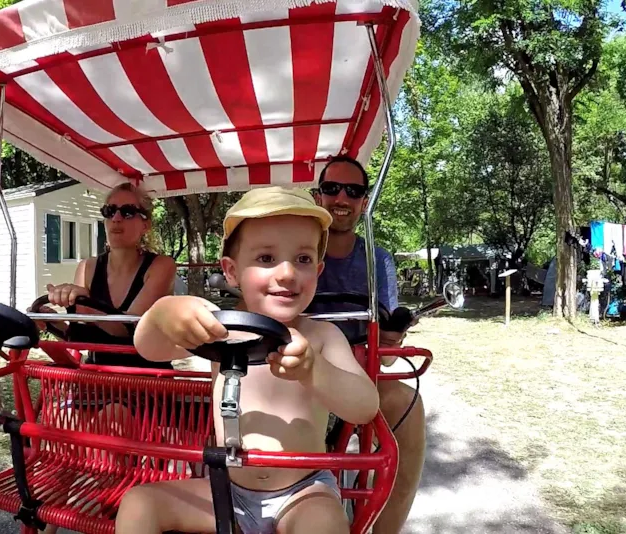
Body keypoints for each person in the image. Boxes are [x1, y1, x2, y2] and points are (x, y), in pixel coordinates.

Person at [115, 187, 379, 534]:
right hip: (226, 488)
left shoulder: (322, 336)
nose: (287, 273)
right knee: (139, 504)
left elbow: (365, 407)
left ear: (318, 270)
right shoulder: (218, 329)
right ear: (231, 270)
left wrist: (315, 370)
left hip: (303, 492)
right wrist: (164, 313)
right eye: (267, 258)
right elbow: (149, 348)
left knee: (325, 524)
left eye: (302, 259)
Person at [312, 155, 426, 534]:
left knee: (408, 403)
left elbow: (388, 360)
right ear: (318, 196)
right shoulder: (300, 247)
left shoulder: (378, 259)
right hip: (304, 374)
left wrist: (392, 335)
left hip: (361, 376)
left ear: (365, 201)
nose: (341, 198)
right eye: (332, 188)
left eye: (353, 191)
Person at [43, 182, 177, 369]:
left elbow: (128, 330)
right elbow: (81, 337)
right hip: (99, 379)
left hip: (147, 379)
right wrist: (50, 322)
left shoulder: (161, 266)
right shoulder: (87, 267)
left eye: (127, 212)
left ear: (145, 225)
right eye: (109, 211)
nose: (116, 218)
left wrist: (87, 301)